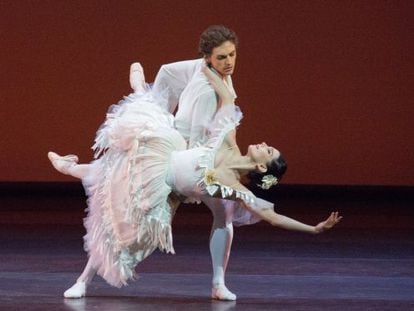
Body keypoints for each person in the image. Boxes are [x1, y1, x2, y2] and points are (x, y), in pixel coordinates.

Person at [48, 63, 342, 300]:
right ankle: (139, 90)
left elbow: (272, 217)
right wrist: (212, 66)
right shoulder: (228, 142)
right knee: (140, 130)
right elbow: (228, 98)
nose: (264, 142)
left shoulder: (234, 189)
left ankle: (82, 280)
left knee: (119, 229)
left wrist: (314, 228)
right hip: (165, 151)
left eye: (268, 149)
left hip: (164, 189)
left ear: (262, 165)